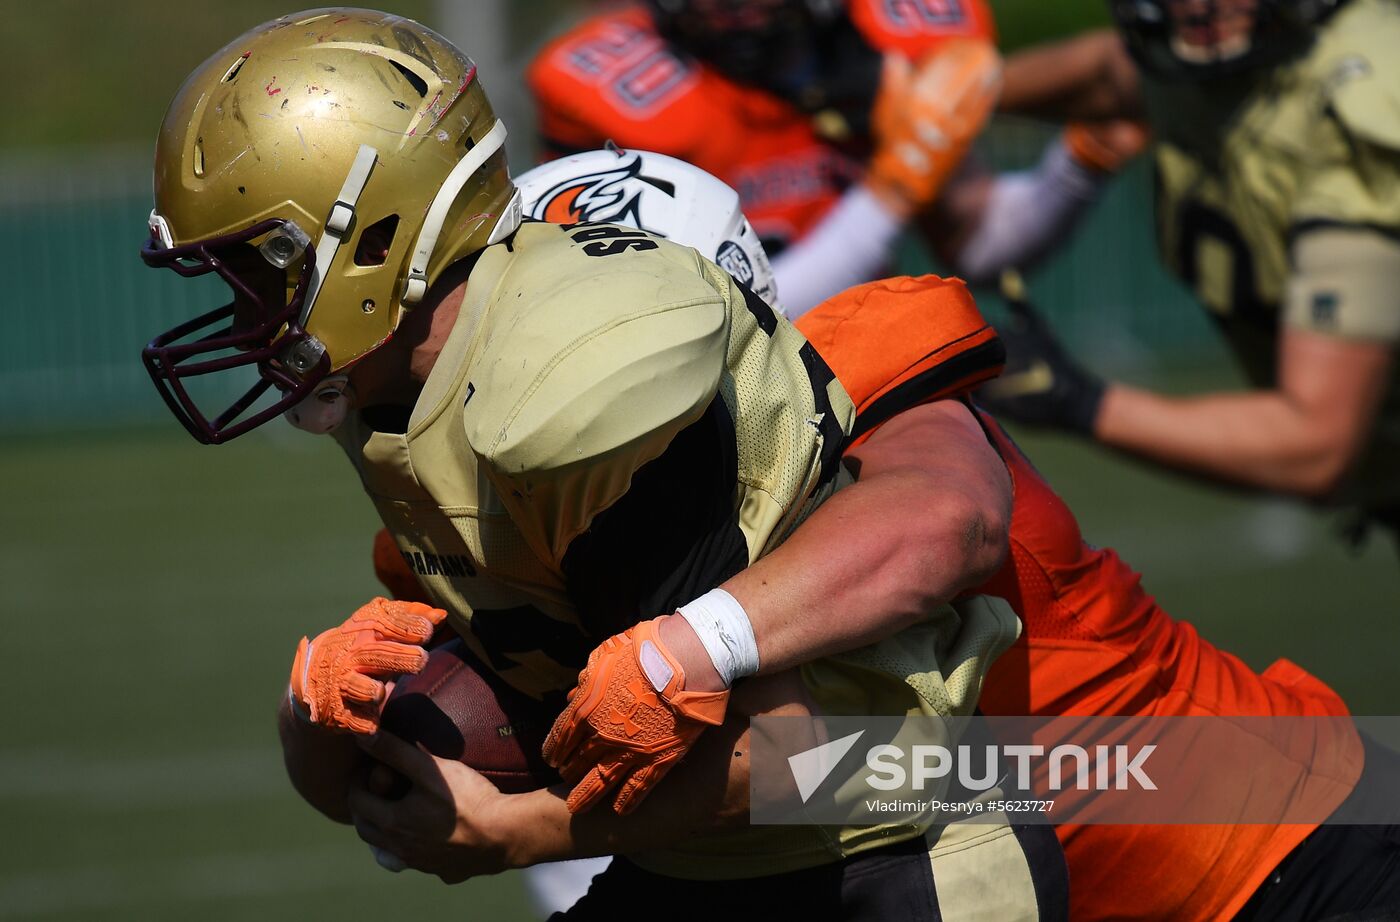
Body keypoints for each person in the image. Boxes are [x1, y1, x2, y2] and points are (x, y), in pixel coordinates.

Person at [139, 10, 1066, 920]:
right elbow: (460, 757)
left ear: (376, 241)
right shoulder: (395, 377)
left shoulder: (570, 378)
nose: (244, 315)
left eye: (259, 271)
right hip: (705, 859)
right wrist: (318, 720)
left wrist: (525, 833)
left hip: (891, 847)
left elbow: (789, 754)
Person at [368, 146, 1397, 920]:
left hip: (1269, 837)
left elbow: (879, 701)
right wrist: (350, 721)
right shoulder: (535, 488)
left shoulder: (860, 386)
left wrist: (544, 818)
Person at [976, 0, 1400, 546]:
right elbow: (1109, 70)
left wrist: (1079, 400)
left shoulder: (1361, 93)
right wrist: (928, 102)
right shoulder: (1223, 55)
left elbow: (1318, 445)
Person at [527, 0, 1145, 316]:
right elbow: (707, 325)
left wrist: (1077, 165)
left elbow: (980, 243)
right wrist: (890, 196)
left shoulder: (872, 45)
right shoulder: (619, 86)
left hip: (874, 372)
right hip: (714, 417)